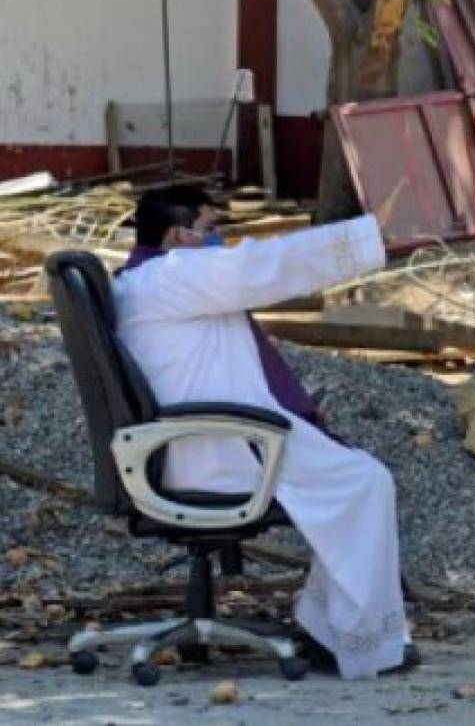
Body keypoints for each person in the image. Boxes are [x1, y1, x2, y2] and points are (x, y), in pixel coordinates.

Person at [113, 185, 416, 679]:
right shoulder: (172, 274)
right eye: (211, 229)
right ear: (178, 236)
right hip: (221, 442)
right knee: (366, 481)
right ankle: (357, 644)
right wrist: (372, 236)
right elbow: (266, 265)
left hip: (189, 442)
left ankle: (329, 626)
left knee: (357, 479)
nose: (220, 243)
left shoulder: (139, 281)